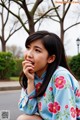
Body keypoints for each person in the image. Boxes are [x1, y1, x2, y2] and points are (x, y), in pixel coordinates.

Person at [17, 31, 80, 120]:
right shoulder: (32, 75)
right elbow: (29, 111)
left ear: (51, 58)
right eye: (28, 48)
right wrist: (30, 81)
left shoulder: (61, 77)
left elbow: (65, 117)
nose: (29, 54)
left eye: (37, 50)